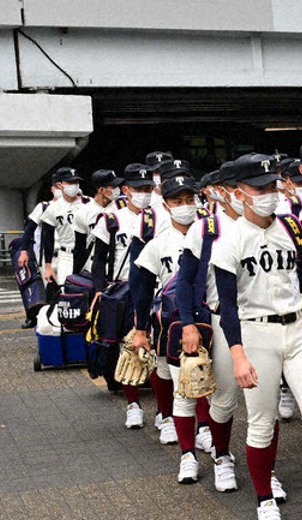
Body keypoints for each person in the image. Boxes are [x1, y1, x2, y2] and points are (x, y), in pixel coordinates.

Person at [210, 153, 302, 520]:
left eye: (271, 186)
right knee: (261, 423)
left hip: (298, 330)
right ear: (239, 193)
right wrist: (238, 354)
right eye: (258, 189)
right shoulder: (229, 241)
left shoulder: (291, 227)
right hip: (256, 334)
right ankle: (265, 502)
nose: (268, 195)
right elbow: (227, 307)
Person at [174, 157, 250, 494]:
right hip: (220, 319)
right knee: (223, 400)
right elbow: (186, 282)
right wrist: (188, 324)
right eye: (232, 188)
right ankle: (221, 456)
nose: (239, 194)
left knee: (268, 405)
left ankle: (268, 471)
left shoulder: (268, 224)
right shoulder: (205, 229)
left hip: (261, 319)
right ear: (219, 192)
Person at [129, 175, 202, 481]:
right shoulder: (158, 243)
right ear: (166, 205)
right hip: (169, 320)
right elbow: (142, 286)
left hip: (206, 317)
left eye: (189, 200)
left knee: (209, 380)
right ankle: (171, 423)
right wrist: (141, 328)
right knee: (168, 375)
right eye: (177, 201)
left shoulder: (210, 233)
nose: (185, 206)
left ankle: (209, 430)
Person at [90, 163, 172, 430]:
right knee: (129, 350)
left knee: (159, 350)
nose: (145, 193)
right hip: (123, 289)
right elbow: (99, 260)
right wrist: (100, 290)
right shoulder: (112, 220)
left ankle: (164, 411)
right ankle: (133, 404)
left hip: (158, 288)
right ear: (126, 190)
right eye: (138, 189)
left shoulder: (163, 215)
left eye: (149, 188)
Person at [38, 167, 89, 292]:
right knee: (67, 292)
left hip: (88, 254)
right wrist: (48, 266)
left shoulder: (89, 203)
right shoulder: (53, 208)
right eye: (70, 182)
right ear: (60, 185)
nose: (74, 185)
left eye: (76, 182)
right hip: (67, 254)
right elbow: (47, 238)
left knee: (92, 292)